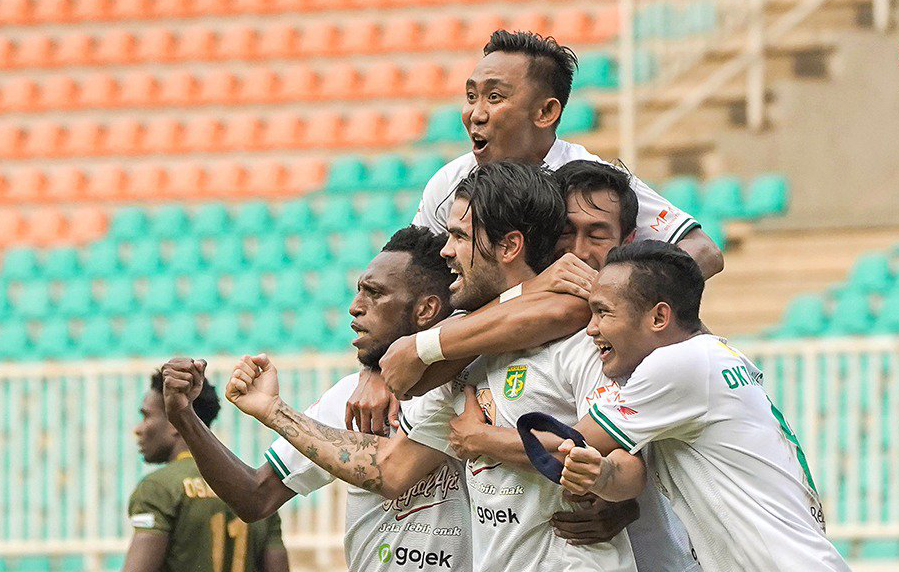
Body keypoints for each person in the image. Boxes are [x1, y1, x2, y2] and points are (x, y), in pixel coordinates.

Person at [223, 162, 640, 572]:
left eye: (459, 235)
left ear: (510, 246)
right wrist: (273, 411)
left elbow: (620, 459)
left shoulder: (585, 339)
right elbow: (391, 468)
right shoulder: (460, 360)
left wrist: (485, 439)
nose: (446, 250)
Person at [161, 226, 472, 572]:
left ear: (426, 310)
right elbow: (255, 496)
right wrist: (184, 417)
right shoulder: (347, 395)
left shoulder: (461, 383)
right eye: (358, 292)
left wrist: (274, 411)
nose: (355, 307)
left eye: (375, 294)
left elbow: (390, 470)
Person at [551, 241, 851, 572]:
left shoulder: (677, 364)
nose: (591, 328)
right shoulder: (714, 356)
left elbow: (561, 444)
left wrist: (481, 430)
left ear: (659, 316)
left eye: (603, 311)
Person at [411, 30, 722, 280]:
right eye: (470, 97)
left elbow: (703, 251)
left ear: (546, 111)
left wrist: (620, 295)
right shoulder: (448, 185)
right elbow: (417, 273)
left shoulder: (593, 182)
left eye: (494, 97)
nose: (475, 114)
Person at [123, 371, 287, 572]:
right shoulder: (258, 491)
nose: (138, 429)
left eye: (146, 415)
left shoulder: (158, 487)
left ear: (175, 421)